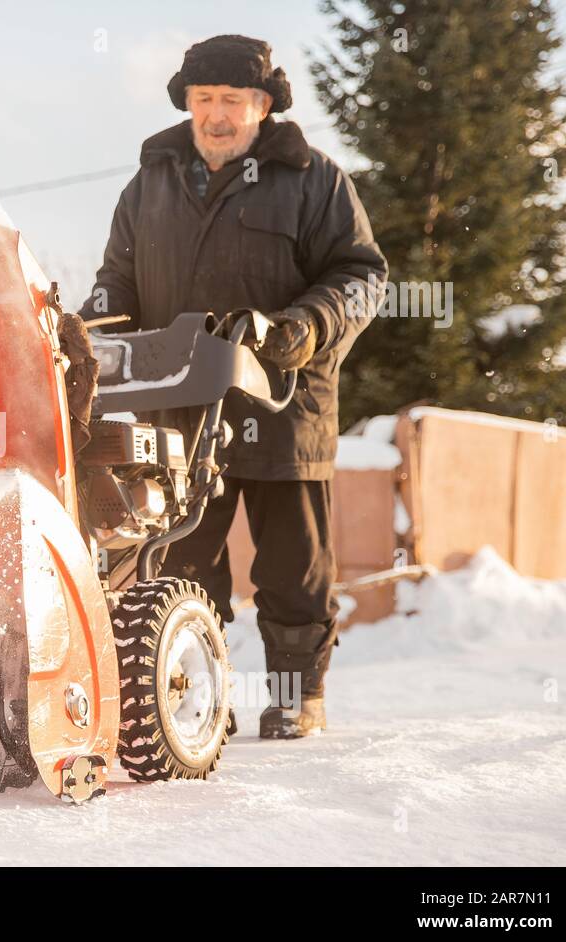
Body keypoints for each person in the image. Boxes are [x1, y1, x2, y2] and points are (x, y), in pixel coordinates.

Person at [78, 34, 388, 738]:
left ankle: (295, 697)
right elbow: (117, 280)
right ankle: (193, 692)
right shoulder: (149, 184)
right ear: (188, 104)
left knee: (291, 568)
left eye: (233, 101)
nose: (217, 116)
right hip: (179, 404)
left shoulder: (315, 180)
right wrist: (90, 326)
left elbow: (362, 274)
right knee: (181, 554)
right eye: (204, 100)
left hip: (283, 400)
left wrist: (306, 326)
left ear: (264, 106)